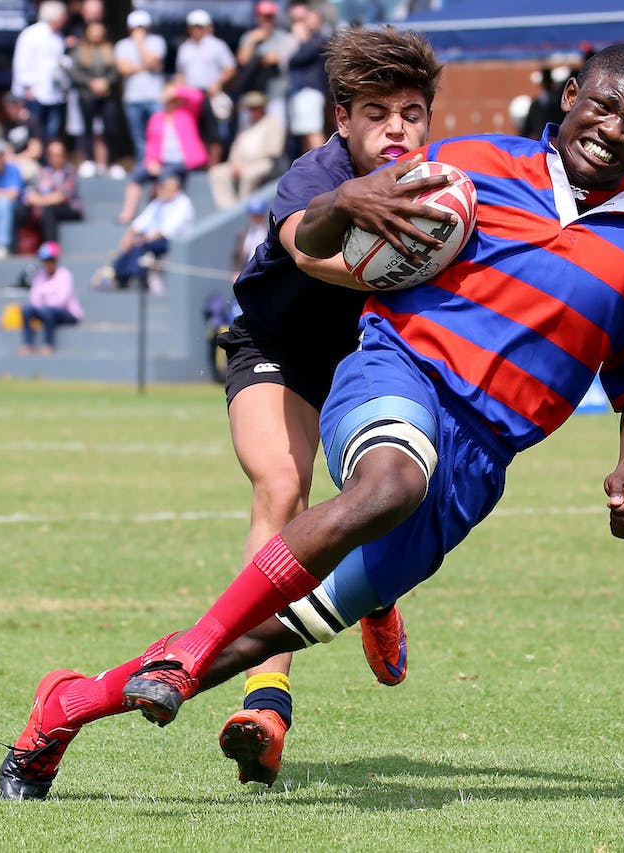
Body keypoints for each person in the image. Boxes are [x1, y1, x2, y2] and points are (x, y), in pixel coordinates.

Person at [0, 42, 624, 801]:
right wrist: (345, 203)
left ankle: (66, 705)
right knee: (380, 479)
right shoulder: (469, 166)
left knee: (269, 632)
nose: (613, 128)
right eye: (603, 105)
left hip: (478, 465)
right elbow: (313, 242)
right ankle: (190, 645)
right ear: (569, 96)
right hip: (398, 371)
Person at [209, 26, 442, 787]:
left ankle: (378, 592)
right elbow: (305, 244)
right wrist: (350, 204)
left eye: (411, 111)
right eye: (376, 112)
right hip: (276, 349)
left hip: (370, 361)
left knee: (387, 498)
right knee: (281, 486)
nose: (396, 127)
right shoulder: (316, 175)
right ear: (343, 119)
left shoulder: (449, 192)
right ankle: (265, 704)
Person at [116, 84, 207, 224]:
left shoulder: (187, 114)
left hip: (182, 161)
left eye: (172, 100)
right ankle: (128, 213)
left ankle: (162, 217)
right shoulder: (157, 118)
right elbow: (151, 143)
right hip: (161, 161)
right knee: (137, 175)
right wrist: (152, 161)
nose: (170, 103)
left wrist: (176, 90)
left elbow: (198, 97)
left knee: (165, 177)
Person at [107, 173, 195, 290]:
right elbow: (139, 223)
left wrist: (141, 239)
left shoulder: (184, 204)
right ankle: (120, 275)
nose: (164, 190)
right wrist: (128, 236)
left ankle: (133, 275)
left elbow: (166, 231)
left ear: (177, 189)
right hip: (151, 239)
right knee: (131, 245)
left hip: (172, 242)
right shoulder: (158, 203)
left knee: (139, 245)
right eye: (163, 187)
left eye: (168, 188)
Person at [175, 9, 237, 168]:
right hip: (191, 96)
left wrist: (217, 83)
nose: (197, 30)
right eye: (194, 27)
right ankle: (198, 165)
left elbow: (230, 68)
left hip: (211, 94)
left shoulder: (217, 45)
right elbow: (181, 73)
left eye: (200, 26)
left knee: (214, 134)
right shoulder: (185, 48)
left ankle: (213, 167)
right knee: (194, 133)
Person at [207, 91, 286, 210]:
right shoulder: (246, 124)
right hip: (240, 164)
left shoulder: (274, 122)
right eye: (250, 108)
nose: (252, 111)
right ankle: (227, 210)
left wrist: (246, 165)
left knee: (248, 175)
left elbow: (274, 150)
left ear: (263, 107)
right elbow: (236, 147)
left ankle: (243, 210)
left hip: (264, 162)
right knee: (217, 172)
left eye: (255, 108)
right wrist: (234, 164)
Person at [66, 20, 121, 178]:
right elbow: (74, 71)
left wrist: (105, 82)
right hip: (86, 95)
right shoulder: (79, 50)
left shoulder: (109, 49)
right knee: (87, 130)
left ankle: (113, 162)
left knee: (111, 129)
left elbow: (115, 71)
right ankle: (88, 161)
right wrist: (90, 83)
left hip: (106, 95)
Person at [114, 10, 167, 168]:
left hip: (154, 97)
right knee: (138, 135)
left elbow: (154, 64)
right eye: (136, 27)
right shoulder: (122, 45)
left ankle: (157, 163)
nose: (139, 30)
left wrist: (140, 44)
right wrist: (146, 65)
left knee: (157, 134)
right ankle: (143, 165)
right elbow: (123, 69)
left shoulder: (157, 41)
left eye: (142, 26)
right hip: (133, 98)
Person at [11, 1, 68, 142]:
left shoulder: (58, 36)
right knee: (35, 132)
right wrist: (27, 86)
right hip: (34, 93)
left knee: (52, 133)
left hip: (54, 94)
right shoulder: (32, 34)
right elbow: (21, 62)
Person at [18, 241, 81, 354]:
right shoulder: (40, 275)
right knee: (26, 310)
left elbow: (61, 300)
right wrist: (42, 304)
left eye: (50, 260)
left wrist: (44, 302)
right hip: (45, 311)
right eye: (45, 260)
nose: (47, 263)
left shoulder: (64, 275)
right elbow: (34, 297)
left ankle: (48, 343)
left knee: (46, 311)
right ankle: (28, 343)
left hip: (67, 313)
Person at [286, 2, 330, 154]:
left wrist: (302, 40)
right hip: (301, 91)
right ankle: (310, 168)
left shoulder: (319, 40)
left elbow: (295, 59)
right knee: (305, 133)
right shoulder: (311, 40)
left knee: (313, 131)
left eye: (312, 18)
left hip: (310, 91)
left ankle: (323, 165)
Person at [23, 139, 83, 245]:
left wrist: (40, 200)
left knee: (49, 210)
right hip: (45, 209)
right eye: (53, 155)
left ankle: (51, 246)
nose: (56, 158)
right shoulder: (42, 172)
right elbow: (30, 196)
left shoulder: (69, 171)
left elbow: (61, 197)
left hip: (69, 209)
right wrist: (41, 200)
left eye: (59, 155)